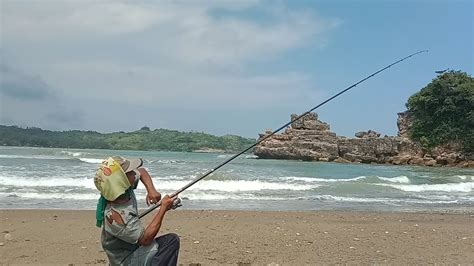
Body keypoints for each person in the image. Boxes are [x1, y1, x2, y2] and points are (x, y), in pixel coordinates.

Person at [94, 156, 180, 266]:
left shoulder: (123, 189)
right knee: (171, 241)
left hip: (133, 248)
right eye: (130, 172)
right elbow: (145, 239)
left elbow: (141, 171)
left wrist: (151, 190)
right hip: (125, 260)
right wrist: (163, 208)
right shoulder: (116, 215)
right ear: (121, 180)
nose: (134, 174)